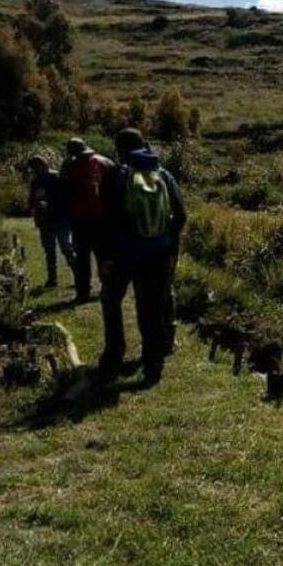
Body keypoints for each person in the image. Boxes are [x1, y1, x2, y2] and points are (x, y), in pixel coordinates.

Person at [97, 128, 187, 384]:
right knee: (151, 311)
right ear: (144, 144)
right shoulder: (163, 174)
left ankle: (114, 355)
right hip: (157, 255)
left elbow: (106, 222)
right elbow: (181, 216)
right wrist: (169, 247)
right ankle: (153, 365)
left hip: (122, 255)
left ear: (118, 149)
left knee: (111, 301)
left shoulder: (115, 176)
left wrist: (105, 258)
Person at [60, 137, 115, 303]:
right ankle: (108, 287)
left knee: (83, 258)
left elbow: (63, 191)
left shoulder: (70, 166)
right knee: (102, 256)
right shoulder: (105, 162)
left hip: (82, 219)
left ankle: (84, 292)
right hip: (101, 218)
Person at [26, 155, 75, 288]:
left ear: (43, 165)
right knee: (50, 252)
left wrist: (49, 205)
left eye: (37, 167)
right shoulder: (36, 181)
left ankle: (78, 276)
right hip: (45, 221)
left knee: (67, 249)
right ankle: (52, 279)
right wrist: (33, 206)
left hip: (61, 220)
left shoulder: (57, 177)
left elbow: (66, 198)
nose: (35, 170)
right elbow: (31, 199)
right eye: (33, 168)